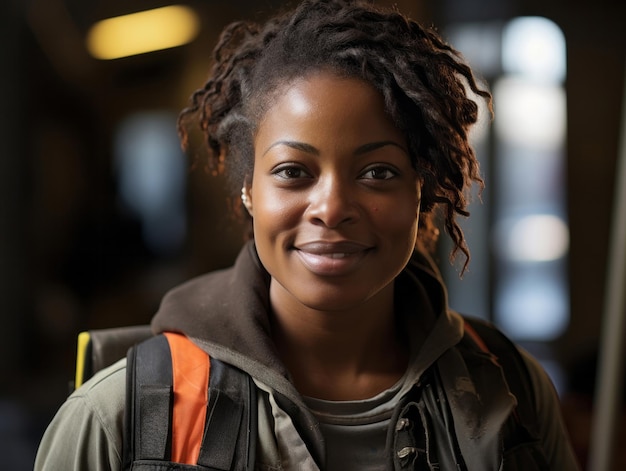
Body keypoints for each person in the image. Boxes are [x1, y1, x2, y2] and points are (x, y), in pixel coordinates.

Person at [34, 0, 580, 469]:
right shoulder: (120, 422)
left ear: (422, 188)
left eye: (378, 172)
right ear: (249, 189)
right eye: (294, 172)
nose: (333, 208)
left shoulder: (511, 390)